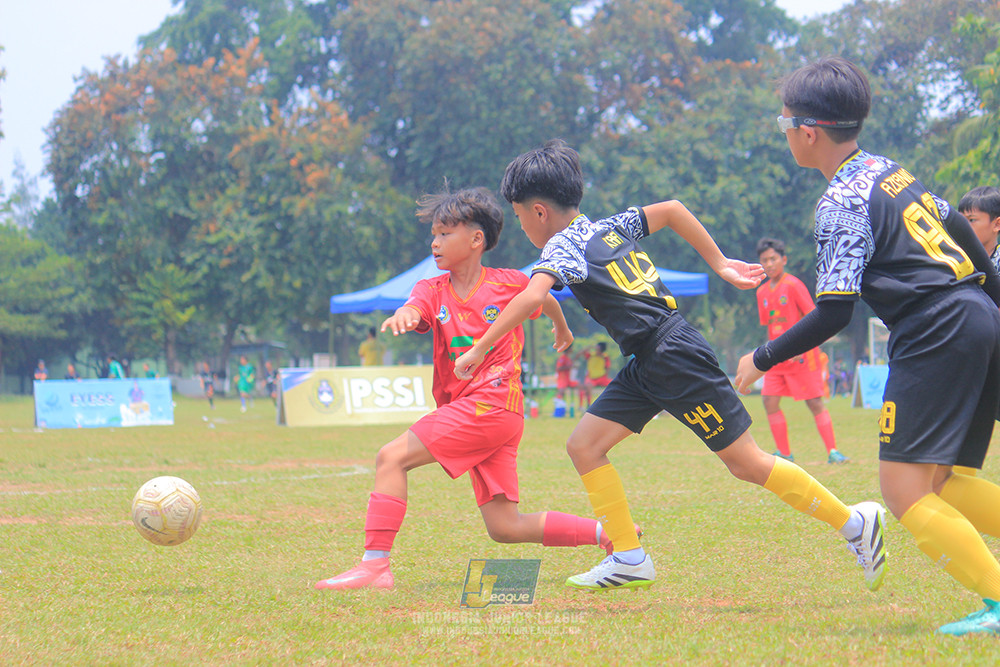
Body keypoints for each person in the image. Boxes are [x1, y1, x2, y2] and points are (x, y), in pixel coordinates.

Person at [455, 139, 887, 594]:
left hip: (672, 355)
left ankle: (855, 522)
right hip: (649, 359)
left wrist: (479, 348)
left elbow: (532, 296)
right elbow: (674, 210)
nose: (522, 226)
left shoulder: (560, 248)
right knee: (584, 446)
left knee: (747, 464)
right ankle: (629, 557)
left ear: (538, 211)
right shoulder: (608, 228)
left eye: (520, 216)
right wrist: (719, 262)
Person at [734, 56, 1000, 636]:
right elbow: (956, 226)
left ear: (808, 132)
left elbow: (833, 309)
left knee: (904, 491)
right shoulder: (888, 170)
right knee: (945, 480)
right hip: (977, 316)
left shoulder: (839, 202)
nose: (785, 135)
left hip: (936, 331)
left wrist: (760, 358)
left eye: (783, 125)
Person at [316, 186, 636, 592]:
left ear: (476, 239)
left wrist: (561, 324)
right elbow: (415, 309)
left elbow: (545, 297)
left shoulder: (509, 283)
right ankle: (607, 536)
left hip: (494, 404)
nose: (434, 242)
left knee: (390, 458)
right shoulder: (431, 290)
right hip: (487, 414)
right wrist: (404, 314)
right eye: (433, 234)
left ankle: (375, 567)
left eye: (444, 233)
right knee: (504, 527)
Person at [755, 237, 847, 464]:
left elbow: (812, 316)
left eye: (773, 259)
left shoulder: (794, 285)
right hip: (777, 358)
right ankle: (784, 453)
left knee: (814, 402)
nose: (769, 264)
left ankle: (833, 451)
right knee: (769, 401)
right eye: (764, 260)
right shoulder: (761, 293)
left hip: (802, 356)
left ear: (783, 260)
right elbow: (770, 327)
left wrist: (802, 345)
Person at [959, 186, 1000, 273]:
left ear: (997, 224)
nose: (963, 226)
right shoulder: (956, 260)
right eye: (961, 220)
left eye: (972, 220)